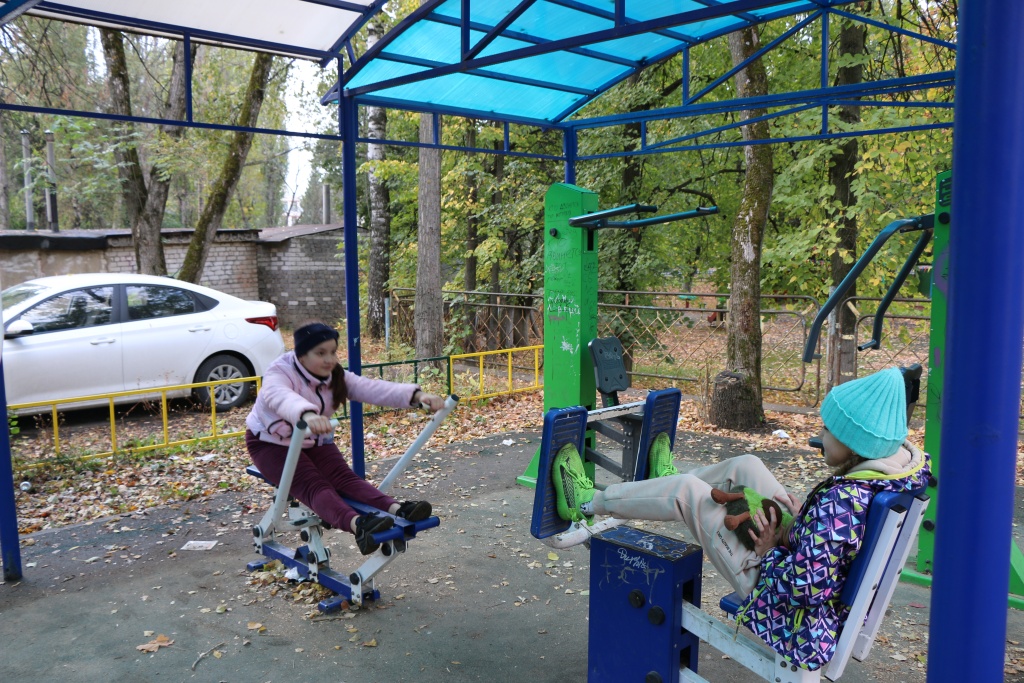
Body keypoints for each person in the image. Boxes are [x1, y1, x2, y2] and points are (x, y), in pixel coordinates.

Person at [552, 366, 930, 671]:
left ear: (853, 442)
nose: (819, 436)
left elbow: (806, 588)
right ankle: (660, 481)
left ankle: (586, 502)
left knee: (687, 492)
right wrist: (805, 521)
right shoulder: (884, 471)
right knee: (746, 466)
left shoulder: (842, 503)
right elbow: (835, 546)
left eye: (828, 430)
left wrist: (769, 550)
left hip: (786, 607)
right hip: (799, 570)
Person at [246, 321, 446, 556]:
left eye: (333, 352)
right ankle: (359, 526)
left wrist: (417, 396)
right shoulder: (280, 372)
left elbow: (372, 388)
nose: (329, 359)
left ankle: (398, 509)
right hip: (270, 443)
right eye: (321, 353)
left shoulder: (335, 375)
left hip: (313, 439)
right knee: (314, 485)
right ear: (301, 355)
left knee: (345, 479)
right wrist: (307, 414)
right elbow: (279, 396)